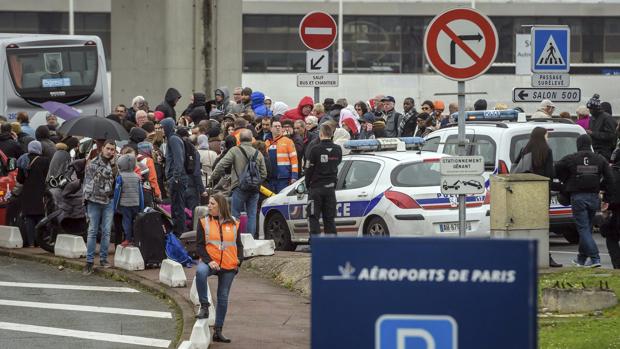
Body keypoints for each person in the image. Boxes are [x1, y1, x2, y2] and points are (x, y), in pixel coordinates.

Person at [555, 134, 614, 268]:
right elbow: (610, 178)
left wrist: (566, 181)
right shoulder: (600, 159)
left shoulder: (571, 158)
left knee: (583, 229)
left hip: (578, 197)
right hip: (594, 197)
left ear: (578, 144)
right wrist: (602, 188)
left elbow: (556, 169)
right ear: (590, 144)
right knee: (586, 228)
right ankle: (581, 259)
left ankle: (595, 258)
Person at [195, 193, 244, 342]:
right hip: (211, 262)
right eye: (209, 203)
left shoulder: (235, 223)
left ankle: (218, 331)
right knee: (200, 272)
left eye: (212, 204)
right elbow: (199, 246)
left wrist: (238, 262)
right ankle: (204, 306)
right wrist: (209, 261)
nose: (208, 206)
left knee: (223, 298)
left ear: (221, 206)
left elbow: (239, 245)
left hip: (229, 265)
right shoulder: (204, 222)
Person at [513, 127, 561, 267]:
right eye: (547, 135)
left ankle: (524, 255)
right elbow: (550, 174)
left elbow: (515, 168)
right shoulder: (547, 151)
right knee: (542, 226)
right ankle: (546, 256)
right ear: (542, 136)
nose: (548, 138)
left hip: (525, 191)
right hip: (541, 192)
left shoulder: (524, 149)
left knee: (526, 224)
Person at [210, 129, 267, 236]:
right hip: (254, 189)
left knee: (235, 214)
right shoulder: (258, 153)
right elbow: (264, 173)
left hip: (239, 187)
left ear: (239, 139)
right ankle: (250, 240)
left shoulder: (234, 151)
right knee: (252, 215)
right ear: (251, 139)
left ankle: (235, 239)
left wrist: (212, 177)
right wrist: (255, 182)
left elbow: (221, 165)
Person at [83, 140, 117, 274]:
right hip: (94, 201)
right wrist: (111, 169)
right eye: (108, 149)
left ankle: (103, 259)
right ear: (102, 149)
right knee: (92, 231)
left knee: (107, 231)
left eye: (112, 150)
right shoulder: (93, 163)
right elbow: (95, 182)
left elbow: (117, 181)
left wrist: (114, 168)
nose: (110, 152)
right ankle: (89, 261)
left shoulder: (114, 164)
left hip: (109, 200)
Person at [305, 123, 342, 236]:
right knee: (329, 218)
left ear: (321, 134)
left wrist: (308, 184)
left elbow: (308, 169)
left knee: (313, 216)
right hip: (330, 189)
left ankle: (316, 244)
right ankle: (331, 246)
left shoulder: (315, 149)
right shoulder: (338, 149)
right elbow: (338, 163)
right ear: (331, 135)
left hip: (316, 188)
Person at [16, 141, 50, 247]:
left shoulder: (23, 160)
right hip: (40, 192)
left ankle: (31, 243)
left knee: (29, 218)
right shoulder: (44, 161)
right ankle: (40, 243)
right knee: (40, 217)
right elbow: (47, 177)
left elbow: (20, 179)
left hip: (27, 192)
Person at [161, 118, 188, 236]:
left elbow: (179, 159)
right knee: (176, 206)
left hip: (177, 178)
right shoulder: (172, 139)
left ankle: (179, 233)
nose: (160, 130)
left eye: (162, 127)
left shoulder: (173, 139)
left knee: (178, 207)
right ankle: (178, 232)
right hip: (176, 177)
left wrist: (175, 177)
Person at [113, 154, 144, 247]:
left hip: (125, 204)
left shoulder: (120, 177)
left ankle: (127, 239)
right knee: (136, 221)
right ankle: (136, 239)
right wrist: (141, 206)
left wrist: (115, 206)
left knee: (126, 221)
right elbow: (140, 192)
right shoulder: (137, 177)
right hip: (136, 203)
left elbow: (117, 193)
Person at [266, 120, 299, 193]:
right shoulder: (267, 142)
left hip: (283, 178)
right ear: (271, 129)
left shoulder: (288, 141)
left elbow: (294, 160)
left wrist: (294, 176)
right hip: (270, 179)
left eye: (279, 126)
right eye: (275, 126)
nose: (278, 128)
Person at [586, 94, 617, 161]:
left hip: (604, 152)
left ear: (596, 109)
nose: (590, 111)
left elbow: (611, 135)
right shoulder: (592, 118)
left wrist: (593, 133)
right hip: (593, 150)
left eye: (591, 109)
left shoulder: (607, 118)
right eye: (589, 109)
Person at [603, 149, 620, 269]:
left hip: (615, 211)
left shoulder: (612, 172)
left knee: (611, 236)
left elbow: (603, 186)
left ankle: (617, 265)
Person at [137, 141, 162, 207]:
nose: (152, 151)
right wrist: (157, 193)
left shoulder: (135, 158)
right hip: (146, 191)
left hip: (135, 191)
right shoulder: (148, 160)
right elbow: (152, 178)